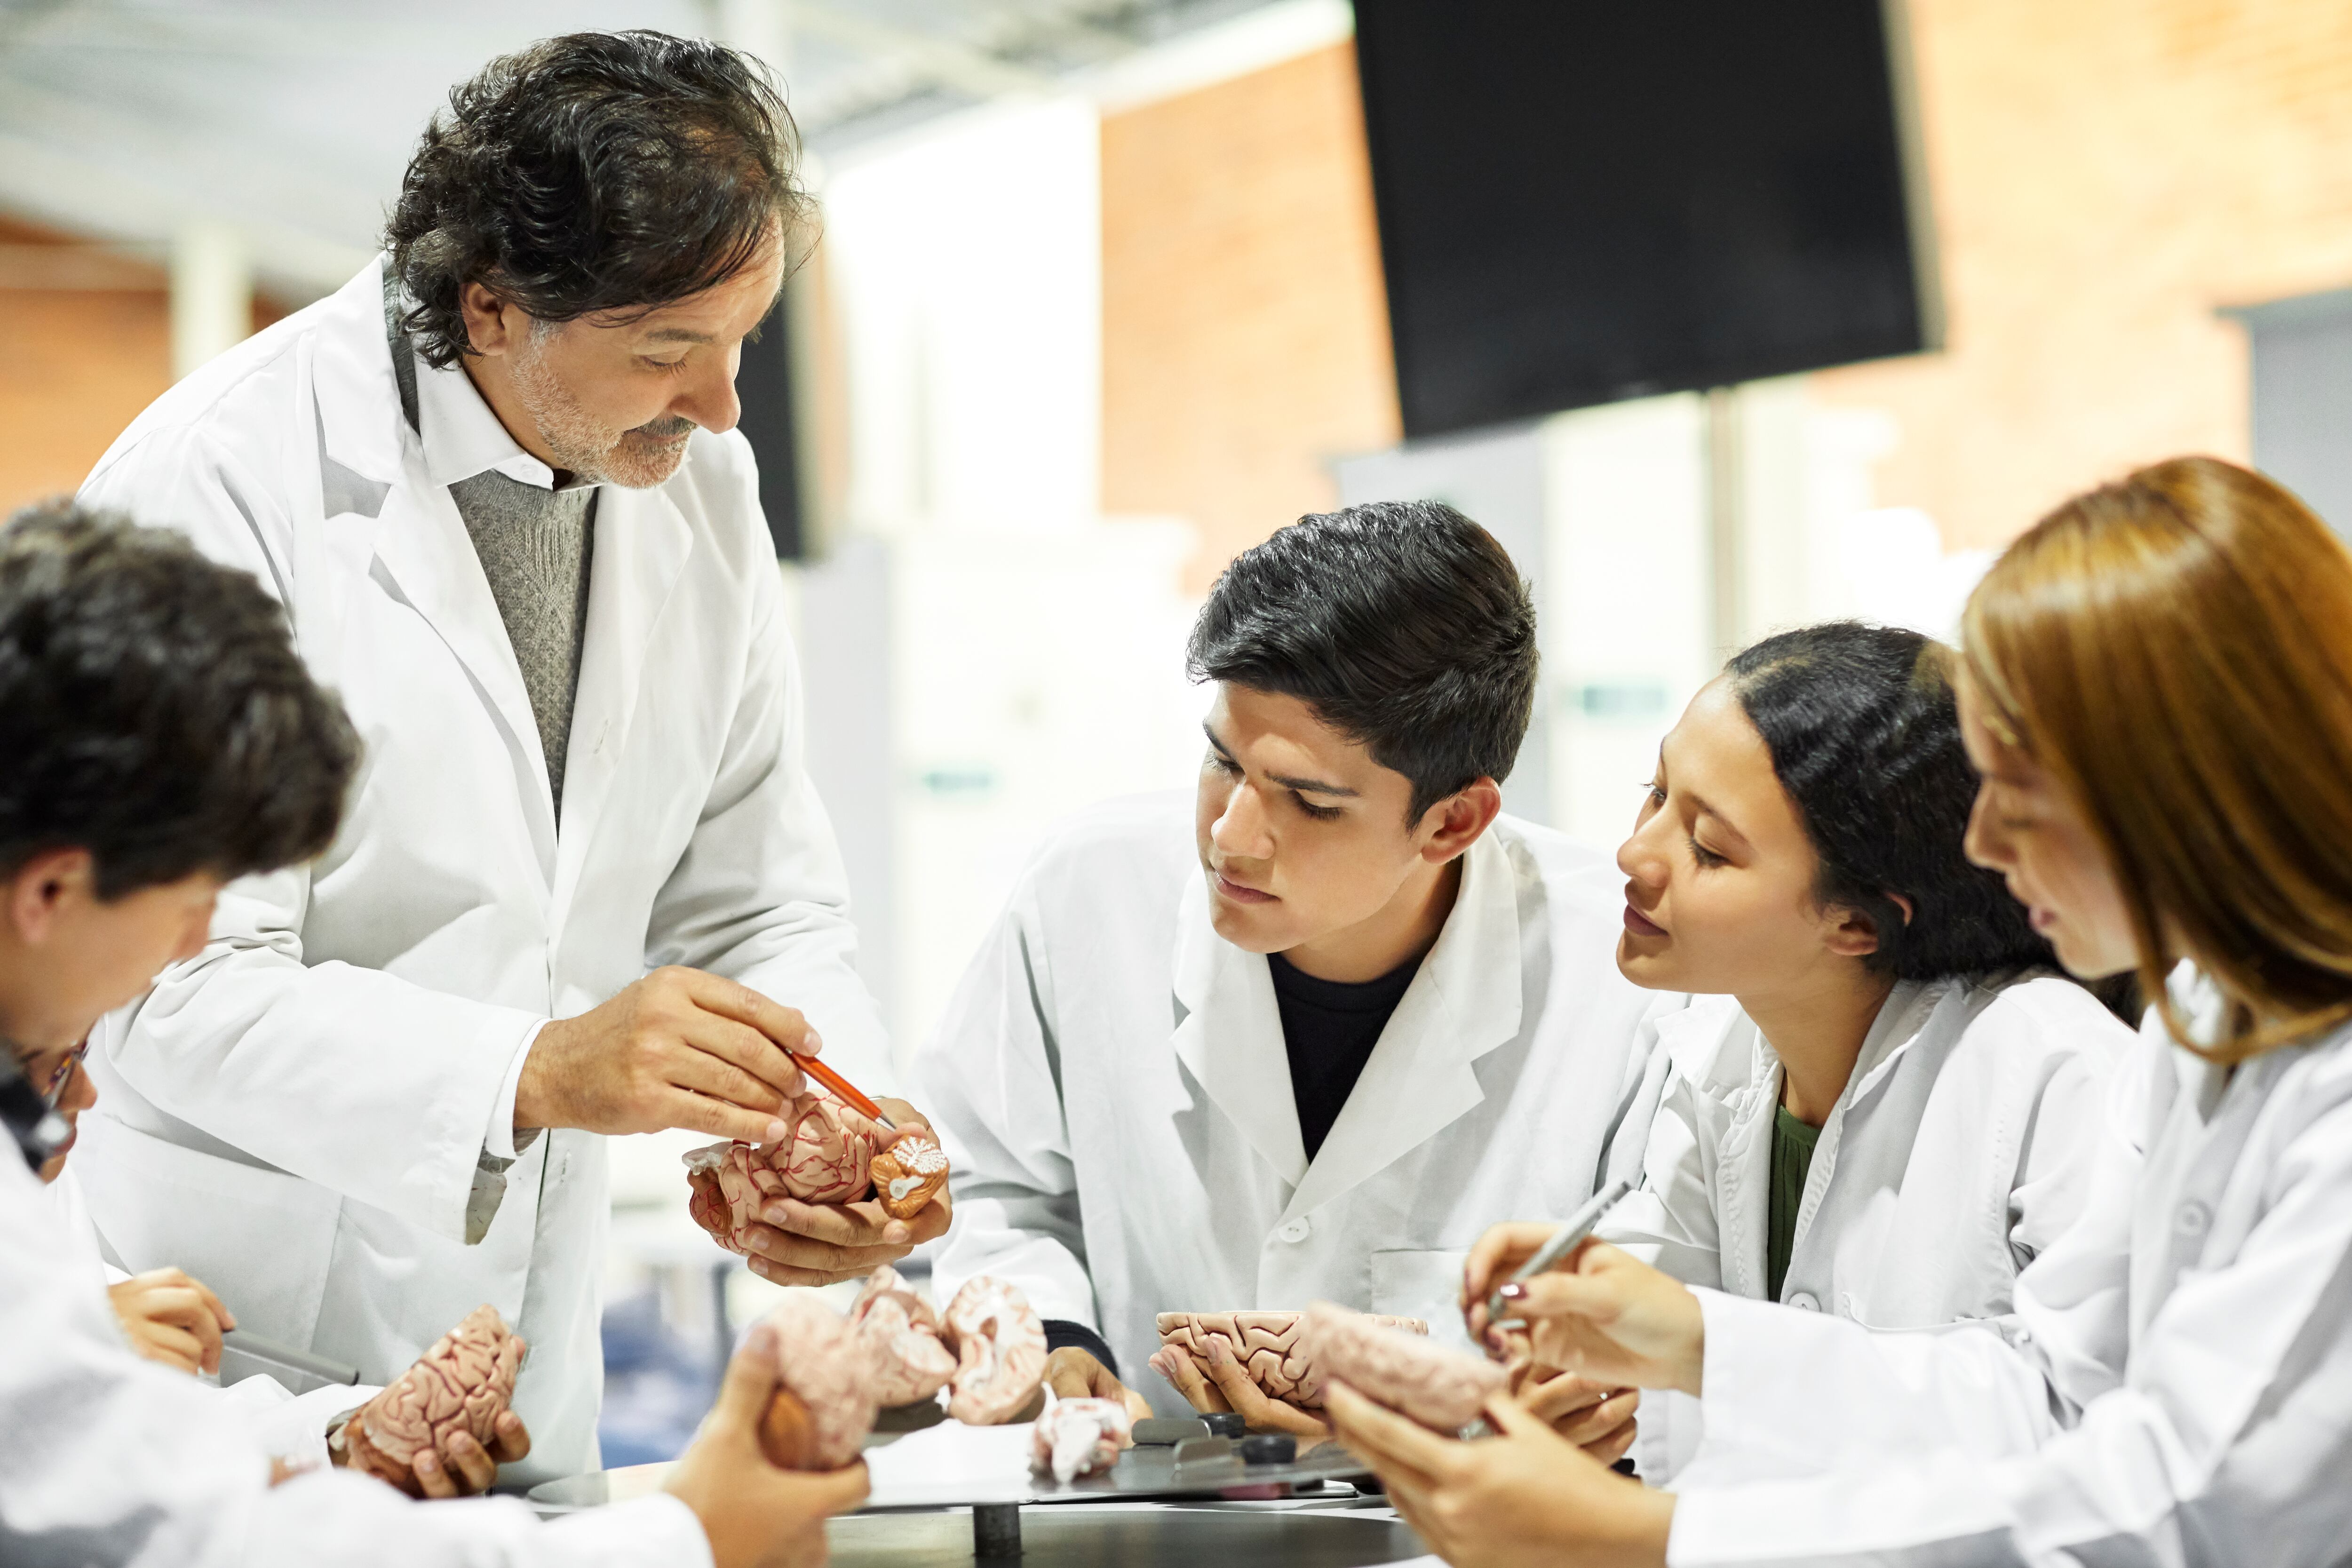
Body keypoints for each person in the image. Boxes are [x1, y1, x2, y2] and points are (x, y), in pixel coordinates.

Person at [72, 31, 941, 1483]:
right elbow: (160, 980)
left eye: (742, 342)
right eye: (667, 351)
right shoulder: (217, 483)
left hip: (535, 1353)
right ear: (491, 303)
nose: (725, 405)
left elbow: (752, 903)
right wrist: (536, 1069)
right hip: (249, 1352)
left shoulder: (699, 483)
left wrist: (843, 1124)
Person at [1325, 456, 2352, 1567]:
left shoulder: (2207, 1070)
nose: (1985, 841)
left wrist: (1654, 1536)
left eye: (2021, 793)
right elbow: (2054, 1391)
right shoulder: (2207, 1018)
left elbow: (2191, 1501)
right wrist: (1688, 1342)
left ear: (2177, 787)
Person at [0, 501, 866, 1566]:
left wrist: (330, 1438)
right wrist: (683, 1539)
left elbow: (91, 1450)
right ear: (52, 890)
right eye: (191, 903)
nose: (192, 945)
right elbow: (191, 1538)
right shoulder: (232, 467)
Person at [908, 501, 1667, 1452]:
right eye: (1222, 762)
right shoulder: (1088, 892)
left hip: (1475, 1515)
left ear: (1453, 822)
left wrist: (1568, 1407)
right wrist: (1056, 1340)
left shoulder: (1619, 972)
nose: (1232, 836)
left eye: (1308, 801)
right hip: (1149, 1503)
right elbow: (993, 1184)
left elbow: (1663, 1301)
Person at [1562, 621, 2132, 1479]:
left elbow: (2090, 1415)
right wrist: (1579, 1383)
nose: (1634, 853)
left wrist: (1696, 1356)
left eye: (1709, 849)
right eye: (1656, 792)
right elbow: (1652, 1350)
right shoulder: (1718, 1054)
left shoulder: (2059, 1072)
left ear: (1858, 924)